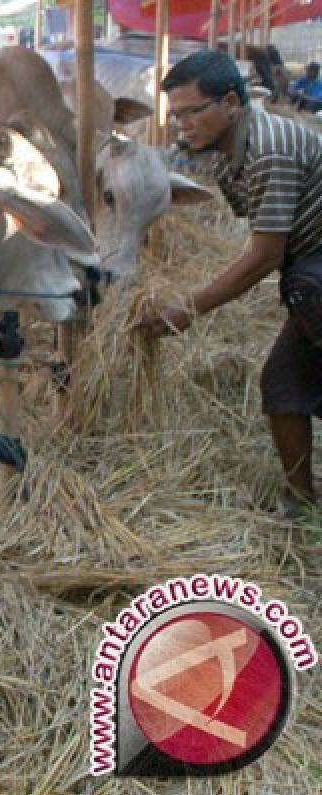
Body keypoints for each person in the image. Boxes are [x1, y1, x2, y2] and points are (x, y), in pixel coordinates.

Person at [140, 49, 322, 519]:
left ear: (231, 103)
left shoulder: (269, 152)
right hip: (309, 274)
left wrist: (188, 309)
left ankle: (300, 502)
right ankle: (300, 500)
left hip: (314, 275)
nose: (182, 124)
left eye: (192, 112)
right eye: (175, 114)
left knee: (284, 380)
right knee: (284, 383)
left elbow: (265, 256)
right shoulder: (222, 149)